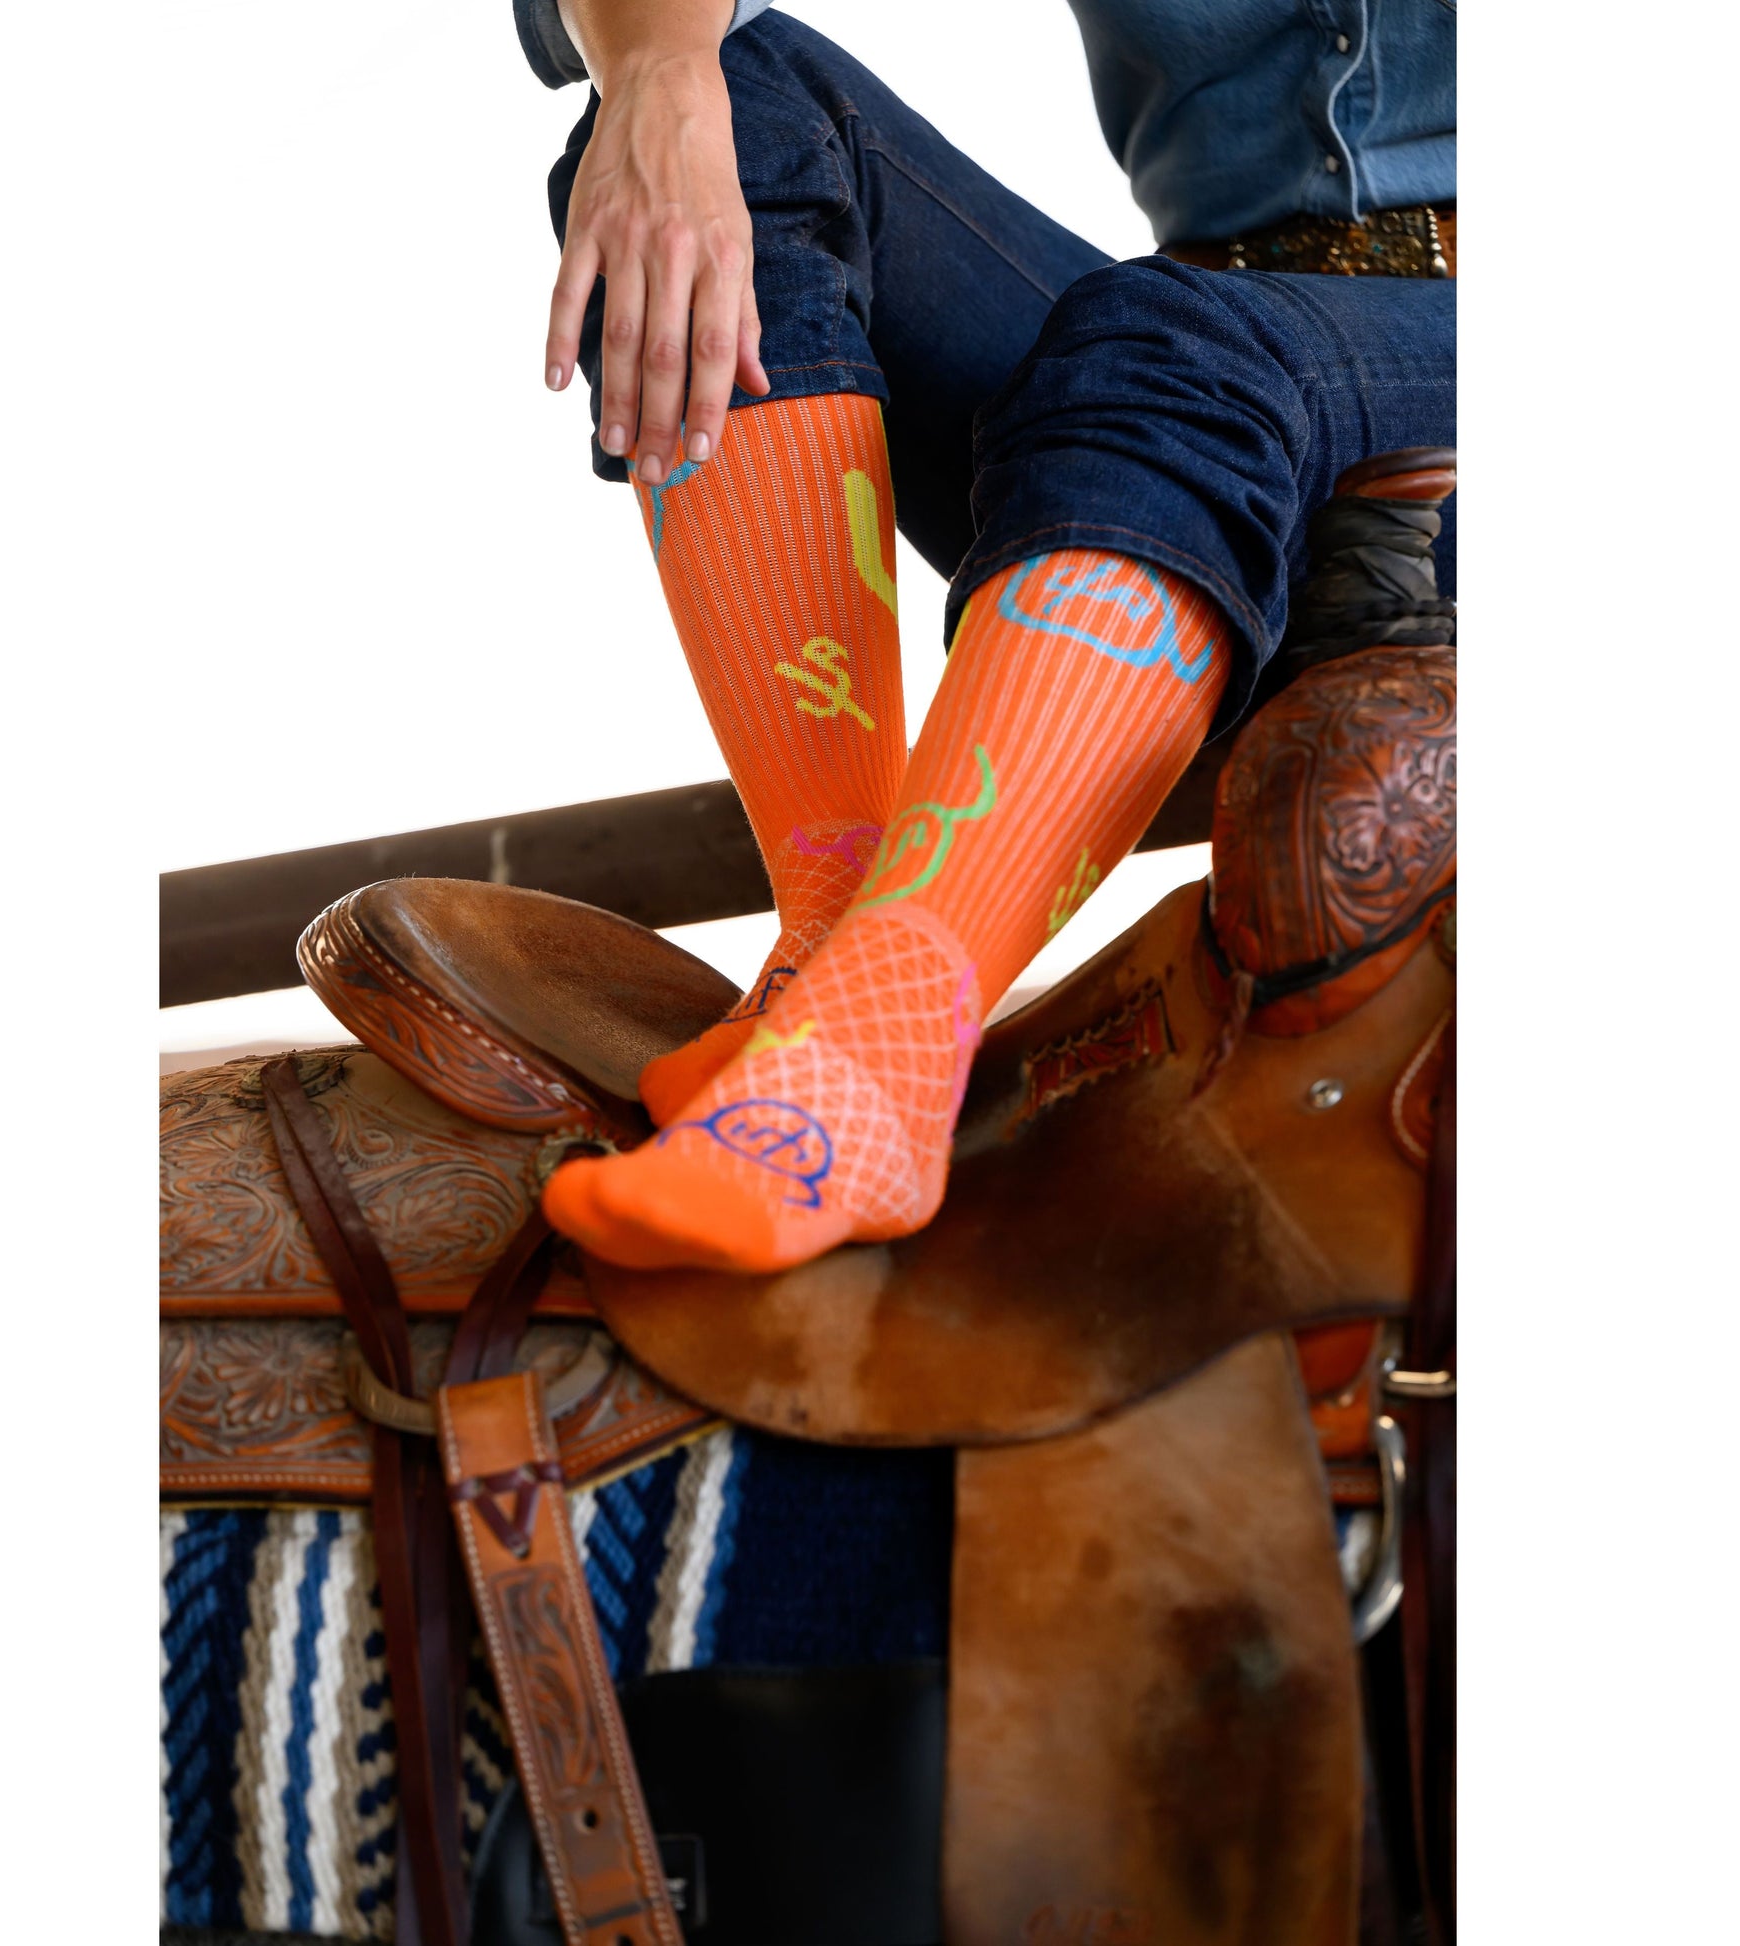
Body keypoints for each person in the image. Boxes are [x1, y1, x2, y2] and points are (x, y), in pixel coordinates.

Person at [516, 0, 1456, 1272]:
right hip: (1202, 395)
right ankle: (833, 943)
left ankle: (885, 1040)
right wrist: (659, 72)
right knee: (745, 95)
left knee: (1180, 343)